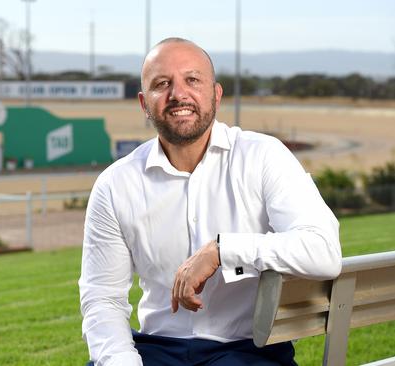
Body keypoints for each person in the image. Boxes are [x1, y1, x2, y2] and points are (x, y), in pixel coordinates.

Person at [79, 37, 342, 366]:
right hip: (156, 350)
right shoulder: (115, 184)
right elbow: (102, 297)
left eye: (192, 79)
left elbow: (323, 250)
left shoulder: (263, 156)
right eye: (163, 84)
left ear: (215, 94)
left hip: (246, 351)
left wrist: (223, 251)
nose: (178, 94)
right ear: (144, 103)